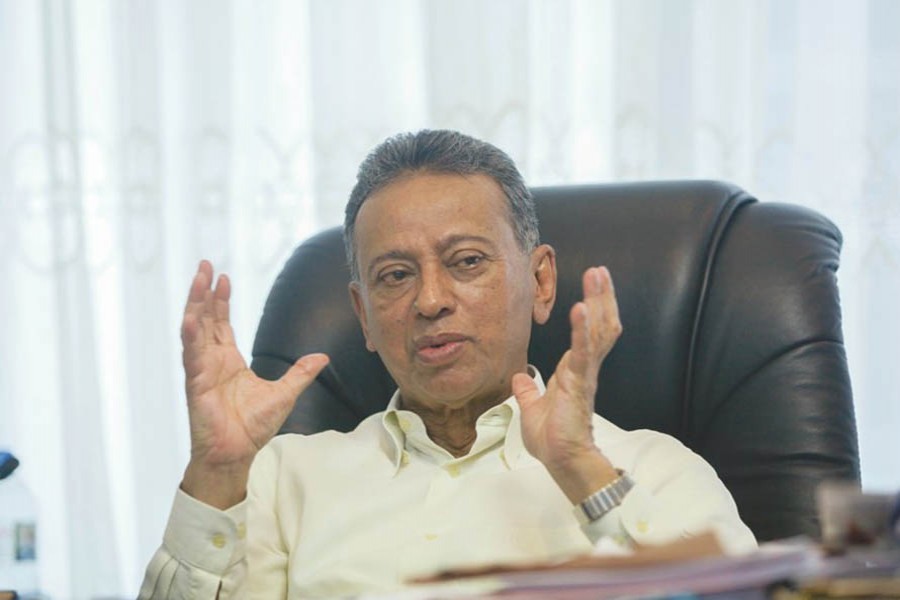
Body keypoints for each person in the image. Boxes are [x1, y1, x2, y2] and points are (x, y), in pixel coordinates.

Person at [140, 130, 756, 598]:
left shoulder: (653, 469)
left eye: (466, 262)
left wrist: (579, 468)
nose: (430, 300)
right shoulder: (282, 479)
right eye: (395, 275)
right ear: (363, 315)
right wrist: (216, 474)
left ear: (541, 282)